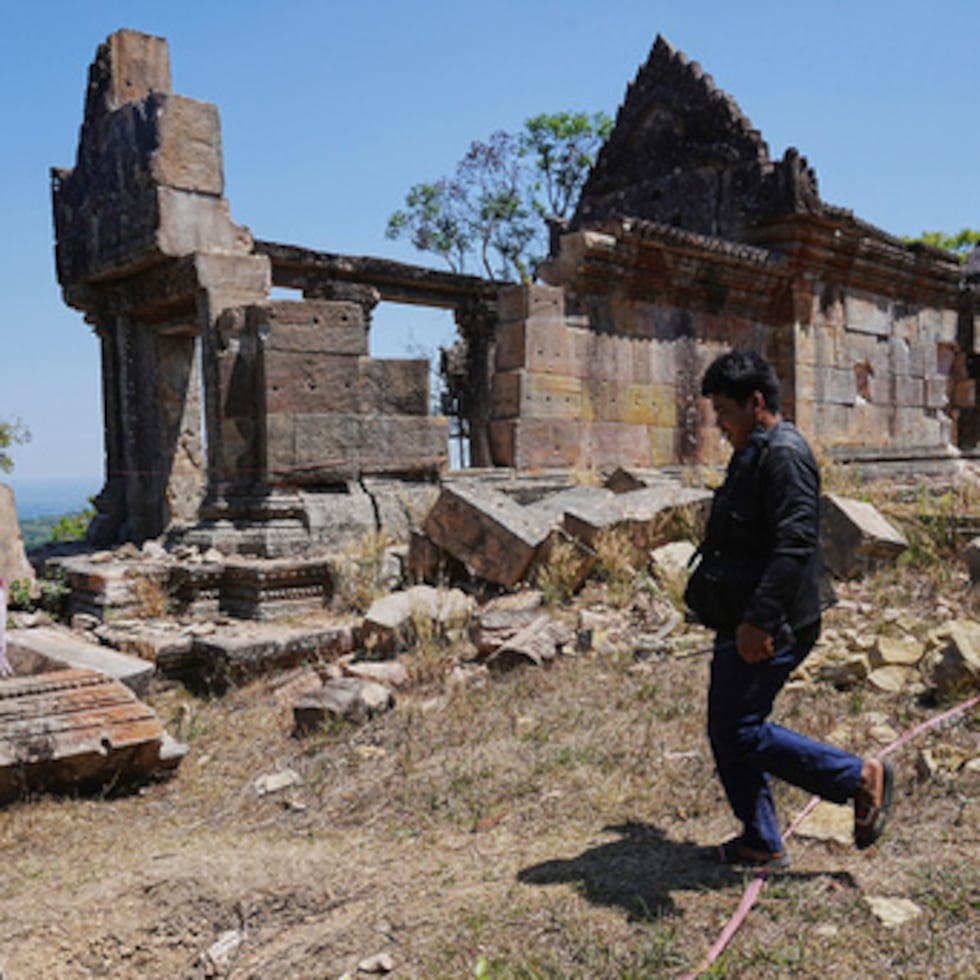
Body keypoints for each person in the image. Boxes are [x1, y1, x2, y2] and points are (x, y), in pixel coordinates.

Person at [686, 348, 893, 868]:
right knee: (728, 726)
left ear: (757, 403)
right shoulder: (754, 448)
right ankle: (760, 838)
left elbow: (796, 545)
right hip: (744, 617)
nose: (721, 427)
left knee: (738, 729)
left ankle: (858, 777)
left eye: (726, 414)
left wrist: (759, 621)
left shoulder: (785, 454)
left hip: (773, 622)